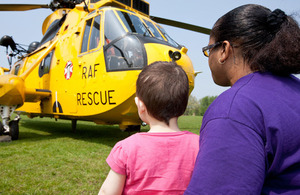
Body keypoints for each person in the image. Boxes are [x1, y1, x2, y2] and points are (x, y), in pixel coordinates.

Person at [184, 4, 300, 194]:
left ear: (224, 50)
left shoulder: (235, 108)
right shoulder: (294, 90)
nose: (208, 57)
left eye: (208, 49)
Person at [99, 61, 199, 195]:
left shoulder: (126, 149)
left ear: (140, 106)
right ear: (184, 105)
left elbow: (107, 192)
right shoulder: (200, 146)